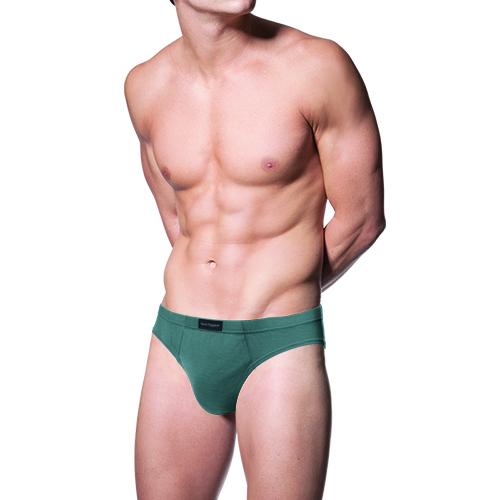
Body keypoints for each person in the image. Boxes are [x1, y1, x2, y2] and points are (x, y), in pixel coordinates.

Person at [124, 0, 385, 498]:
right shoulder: (145, 85)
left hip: (278, 341)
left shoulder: (316, 67)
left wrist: (281, 284)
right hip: (178, 338)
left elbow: (362, 219)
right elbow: (178, 220)